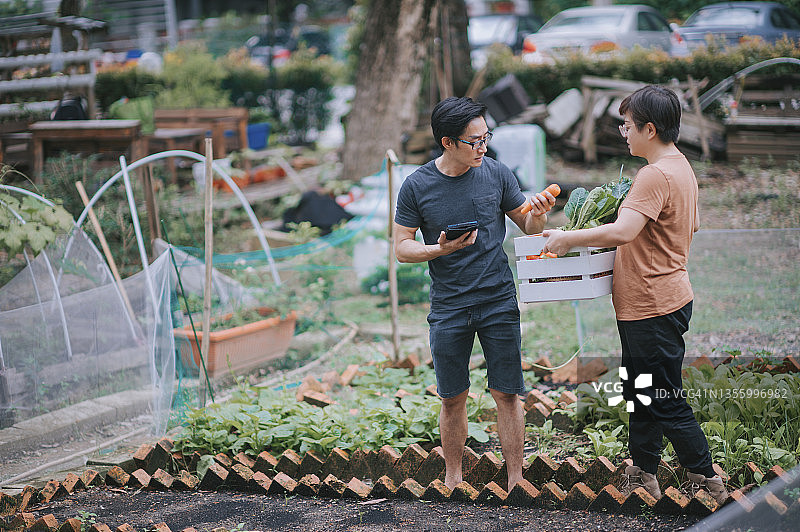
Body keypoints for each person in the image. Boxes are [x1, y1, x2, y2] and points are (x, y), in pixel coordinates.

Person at [542, 85, 728, 505]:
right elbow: (691, 224)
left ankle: (706, 481)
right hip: (660, 300)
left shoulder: (654, 175)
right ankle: (643, 474)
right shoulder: (680, 167)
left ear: (649, 129)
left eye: (627, 125)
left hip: (652, 304)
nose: (623, 132)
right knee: (641, 391)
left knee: (662, 398)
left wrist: (569, 238)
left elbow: (625, 231)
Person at [393, 96, 556, 492]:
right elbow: (401, 247)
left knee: (508, 393)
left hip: (498, 299)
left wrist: (539, 212)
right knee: (453, 397)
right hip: (449, 306)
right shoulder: (416, 185)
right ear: (448, 142)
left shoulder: (497, 174)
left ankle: (516, 479)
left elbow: (529, 228)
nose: (483, 147)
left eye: (486, 137)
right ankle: (453, 478)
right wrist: (440, 249)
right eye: (474, 141)